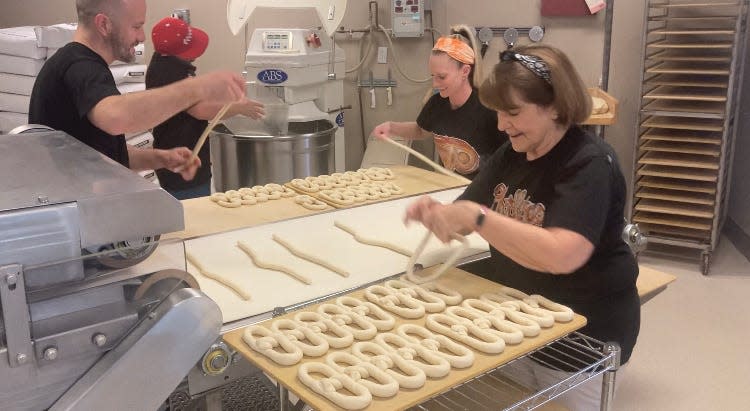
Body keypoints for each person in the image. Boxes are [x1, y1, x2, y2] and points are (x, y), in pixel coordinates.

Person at [405, 44, 640, 410]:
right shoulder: (512, 152)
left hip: (582, 338)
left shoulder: (590, 163)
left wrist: (478, 219)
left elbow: (563, 253)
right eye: (498, 113)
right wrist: (440, 215)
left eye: (512, 112)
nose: (501, 125)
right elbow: (467, 211)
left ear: (557, 106)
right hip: (517, 328)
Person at [29, 0, 246, 182]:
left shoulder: (85, 67)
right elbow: (117, 117)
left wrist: (160, 159)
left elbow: (97, 152)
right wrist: (200, 87)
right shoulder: (79, 67)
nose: (142, 37)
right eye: (136, 26)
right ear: (104, 24)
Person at [146, 17, 264, 199]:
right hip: (181, 165)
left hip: (177, 157)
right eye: (189, 49)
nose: (195, 54)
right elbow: (201, 110)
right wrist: (239, 107)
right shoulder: (172, 73)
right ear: (176, 54)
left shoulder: (161, 63)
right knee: (192, 211)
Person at [371, 25, 507, 179]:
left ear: (465, 71)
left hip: (483, 192)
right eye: (433, 76)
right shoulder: (437, 104)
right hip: (449, 188)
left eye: (441, 77)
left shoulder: (488, 108)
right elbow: (420, 130)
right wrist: (391, 127)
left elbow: (510, 154)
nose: (435, 84)